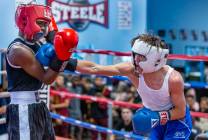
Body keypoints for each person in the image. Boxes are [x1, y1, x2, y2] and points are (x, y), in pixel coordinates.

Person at [41, 33, 192, 139]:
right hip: (154, 117)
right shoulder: (132, 70)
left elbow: (180, 111)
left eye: (141, 57)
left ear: (155, 59)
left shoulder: (173, 79)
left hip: (177, 121)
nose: (135, 60)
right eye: (135, 55)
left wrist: (159, 116)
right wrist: (63, 60)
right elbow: (95, 68)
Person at [6, 4, 78, 140]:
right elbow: (47, 78)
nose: (44, 28)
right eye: (40, 23)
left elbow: (67, 64)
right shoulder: (18, 50)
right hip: (23, 108)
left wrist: (63, 52)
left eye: (46, 24)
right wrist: (62, 56)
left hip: (38, 105)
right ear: (25, 21)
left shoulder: (38, 45)